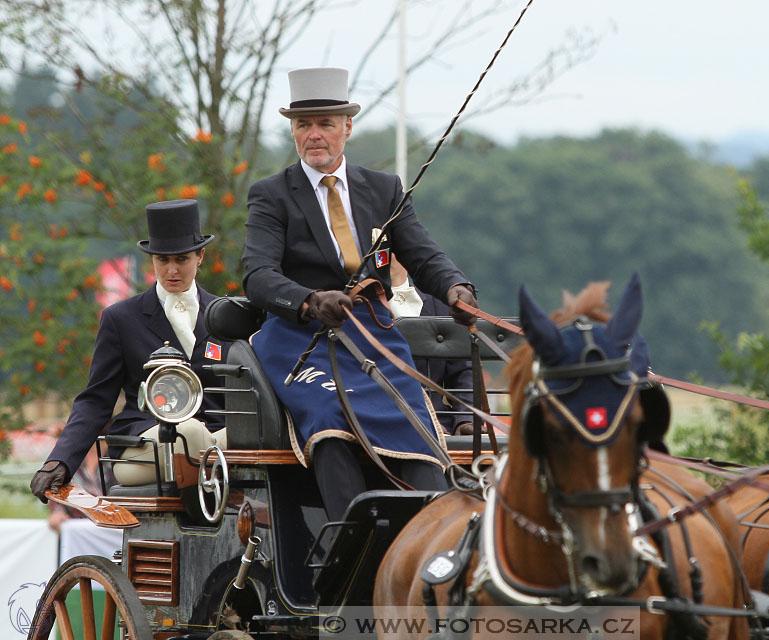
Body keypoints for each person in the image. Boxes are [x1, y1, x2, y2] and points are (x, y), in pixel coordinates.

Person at [242, 67, 477, 522]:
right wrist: (310, 300)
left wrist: (455, 289)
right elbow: (258, 276)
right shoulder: (271, 195)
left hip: (369, 332)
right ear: (292, 130)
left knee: (409, 413)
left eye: (325, 124)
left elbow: (424, 255)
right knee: (331, 415)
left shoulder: (384, 189)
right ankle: (350, 542)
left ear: (347, 127)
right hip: (298, 339)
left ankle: (433, 528)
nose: (314, 135)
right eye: (304, 125)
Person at [30, 199, 231, 500]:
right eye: (163, 260)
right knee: (188, 433)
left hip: (217, 439)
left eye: (182, 259)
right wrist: (60, 460)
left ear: (200, 256)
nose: (172, 270)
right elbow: (96, 399)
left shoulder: (227, 314)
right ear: (152, 260)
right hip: (148, 441)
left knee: (254, 433)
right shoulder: (121, 318)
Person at [389, 259, 473, 436]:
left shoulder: (441, 304)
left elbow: (462, 372)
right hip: (375, 421)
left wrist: (465, 420)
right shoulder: (354, 302)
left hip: (438, 420)